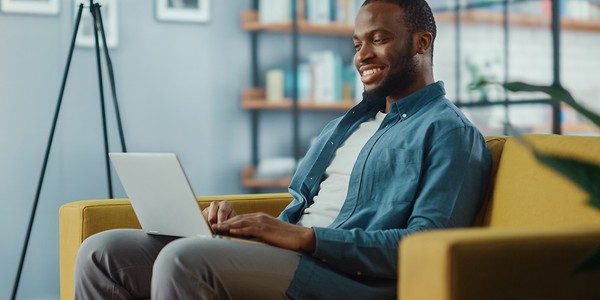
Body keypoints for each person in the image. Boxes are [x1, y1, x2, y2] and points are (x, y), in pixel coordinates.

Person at [74, 0, 492, 299]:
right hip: (291, 256)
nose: (362, 55)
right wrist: (237, 226)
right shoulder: (347, 125)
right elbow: (301, 208)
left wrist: (306, 238)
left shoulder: (449, 132)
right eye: (356, 43)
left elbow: (426, 246)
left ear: (422, 43)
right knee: (102, 251)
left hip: (347, 277)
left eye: (379, 40)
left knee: (183, 261)